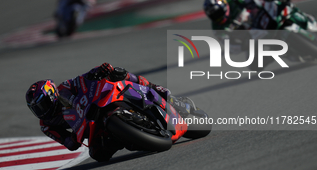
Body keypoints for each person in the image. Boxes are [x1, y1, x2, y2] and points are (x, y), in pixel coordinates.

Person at [26, 63, 203, 162]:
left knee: (119, 74)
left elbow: (84, 78)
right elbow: (69, 144)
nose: (40, 111)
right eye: (36, 109)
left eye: (41, 105)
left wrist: (98, 71)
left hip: (94, 105)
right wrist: (75, 137)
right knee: (97, 155)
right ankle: (130, 136)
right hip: (90, 126)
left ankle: (159, 91)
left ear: (51, 95)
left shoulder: (65, 87)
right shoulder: (47, 126)